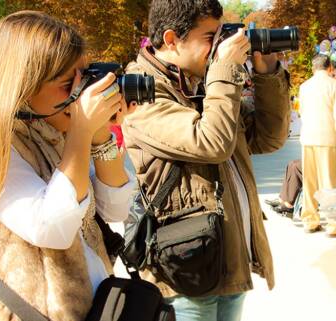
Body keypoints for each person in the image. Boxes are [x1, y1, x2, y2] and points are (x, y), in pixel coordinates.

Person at [121, 0, 290, 320]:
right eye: (209, 36)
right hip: (186, 267)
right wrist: (225, 70)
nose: (219, 46)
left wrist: (267, 71)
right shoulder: (141, 88)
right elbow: (210, 142)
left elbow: (268, 138)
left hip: (230, 255)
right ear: (171, 39)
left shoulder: (204, 80)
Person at [0, 11, 136, 321]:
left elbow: (115, 209)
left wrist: (100, 137)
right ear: (24, 86)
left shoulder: (53, 129)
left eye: (83, 77)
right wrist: (82, 131)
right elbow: (51, 227)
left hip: (91, 307)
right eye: (66, 84)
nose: (80, 92)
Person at [298, 54, 336, 235]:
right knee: (329, 183)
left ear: (313, 68)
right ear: (329, 68)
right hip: (328, 138)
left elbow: (302, 113)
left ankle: (309, 221)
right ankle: (334, 224)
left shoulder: (304, 87)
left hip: (308, 138)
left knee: (309, 182)